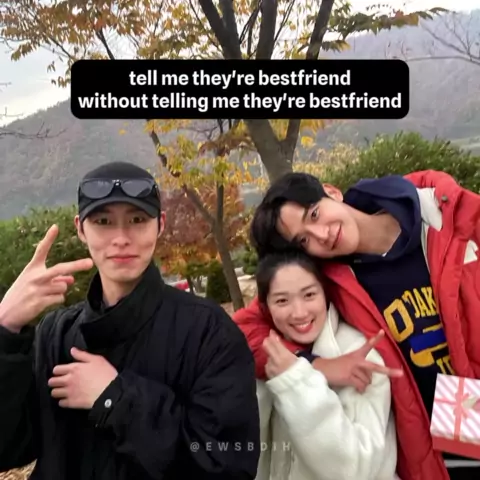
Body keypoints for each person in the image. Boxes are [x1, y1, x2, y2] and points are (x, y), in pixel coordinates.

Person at [0, 161, 260, 480]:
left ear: (160, 225)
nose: (121, 238)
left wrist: (116, 398)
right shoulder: (55, 333)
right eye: (103, 221)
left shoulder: (209, 331)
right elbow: (8, 448)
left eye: (137, 220)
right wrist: (5, 329)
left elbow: (227, 465)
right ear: (80, 229)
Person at [233, 170, 480, 480]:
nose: (321, 234)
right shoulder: (329, 278)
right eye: (304, 240)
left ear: (332, 192)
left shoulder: (442, 215)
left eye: (315, 214)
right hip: (445, 416)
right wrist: (314, 365)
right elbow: (242, 331)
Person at [253, 250, 398, 480]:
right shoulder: (269, 356)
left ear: (325, 294)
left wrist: (296, 383)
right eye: (282, 300)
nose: (299, 313)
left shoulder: (357, 353)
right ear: (265, 306)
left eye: (309, 295)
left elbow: (355, 470)